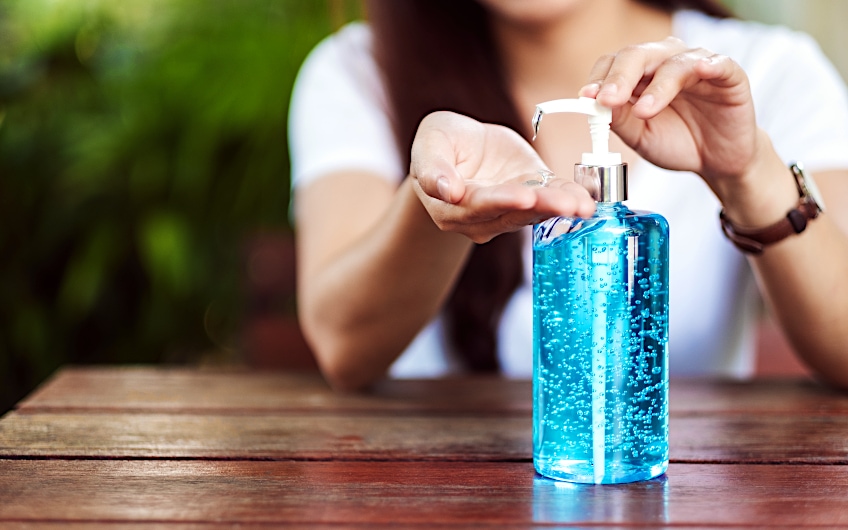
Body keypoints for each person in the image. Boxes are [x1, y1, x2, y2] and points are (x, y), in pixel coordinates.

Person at [288, 0, 848, 392]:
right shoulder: (360, 74)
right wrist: (437, 198)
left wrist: (749, 172)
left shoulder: (769, 72)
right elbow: (344, 347)